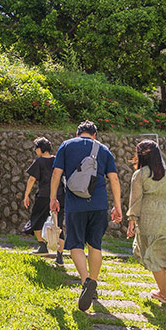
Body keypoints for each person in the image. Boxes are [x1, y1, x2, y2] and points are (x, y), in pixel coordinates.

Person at [50, 120, 121, 311]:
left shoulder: (66, 146)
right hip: (98, 204)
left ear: (77, 134)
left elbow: (56, 173)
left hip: (75, 205)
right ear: (94, 135)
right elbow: (113, 178)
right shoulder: (104, 150)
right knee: (95, 245)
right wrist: (118, 206)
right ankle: (94, 284)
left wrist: (53, 199)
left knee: (75, 244)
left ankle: (85, 281)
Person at [128, 139, 166, 305]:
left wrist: (132, 221)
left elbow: (135, 201)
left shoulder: (139, 175)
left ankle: (163, 293)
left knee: (153, 255)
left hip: (150, 219)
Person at [22, 137, 63, 263]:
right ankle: (60, 256)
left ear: (39, 149)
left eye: (36, 149)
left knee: (35, 220)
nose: (35, 151)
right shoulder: (57, 160)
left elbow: (32, 179)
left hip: (44, 196)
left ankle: (42, 245)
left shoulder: (39, 161)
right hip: (59, 196)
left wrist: (26, 195)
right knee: (59, 225)